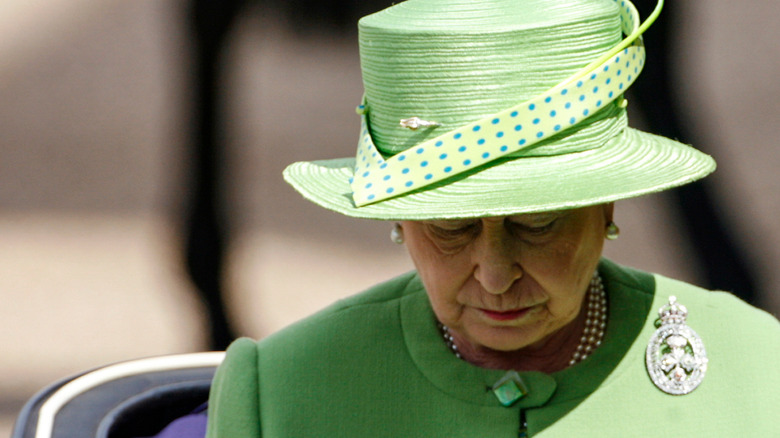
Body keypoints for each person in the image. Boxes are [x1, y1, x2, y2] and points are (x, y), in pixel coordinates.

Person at [205, 0, 780, 436]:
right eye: (450, 227)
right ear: (399, 219)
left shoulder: (756, 367)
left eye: (537, 225)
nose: (495, 276)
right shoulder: (279, 394)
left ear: (609, 203)